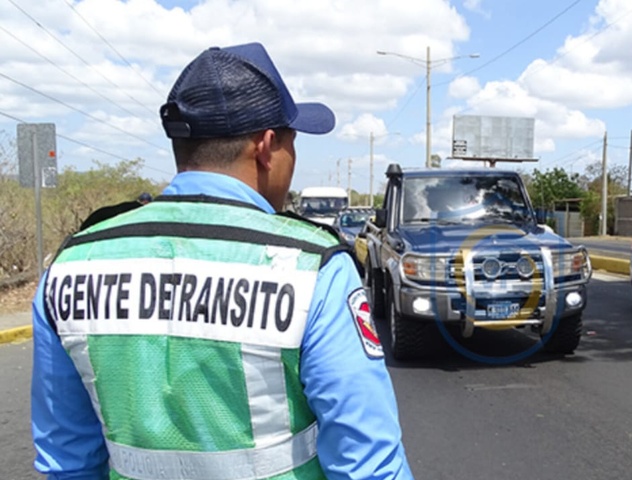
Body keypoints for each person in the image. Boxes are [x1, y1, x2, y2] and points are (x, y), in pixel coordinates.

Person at [31, 42, 413, 480]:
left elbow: (67, 460)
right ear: (266, 147)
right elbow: (367, 462)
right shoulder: (313, 267)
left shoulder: (70, 266)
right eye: (293, 141)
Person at [78, 192, 153, 231]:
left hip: (102, 213)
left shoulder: (129, 204)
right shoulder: (138, 209)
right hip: (105, 216)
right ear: (146, 202)